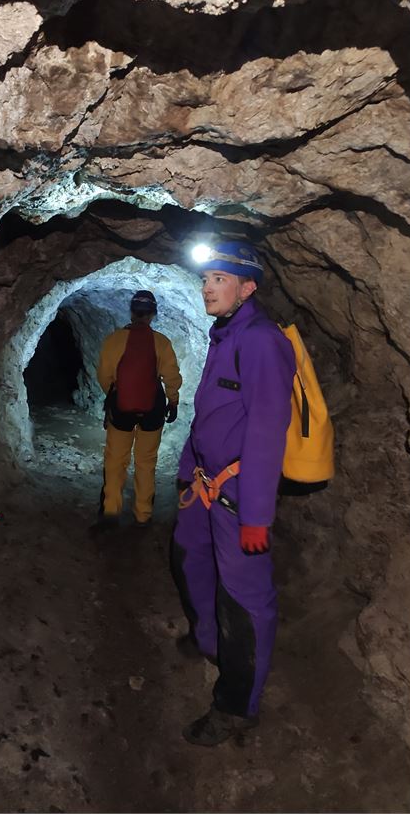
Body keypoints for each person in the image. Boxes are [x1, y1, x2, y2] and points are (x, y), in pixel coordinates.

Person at [171, 241, 295, 746]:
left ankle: (237, 706)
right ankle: (209, 642)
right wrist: (186, 473)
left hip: (239, 493)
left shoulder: (262, 342)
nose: (207, 288)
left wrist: (256, 517)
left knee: (244, 601)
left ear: (248, 288)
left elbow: (268, 430)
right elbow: (209, 417)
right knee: (187, 559)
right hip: (204, 485)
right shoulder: (224, 335)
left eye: (218, 279)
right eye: (205, 279)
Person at [94, 290, 182, 530]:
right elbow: (171, 377)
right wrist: (172, 401)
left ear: (132, 312)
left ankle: (111, 511)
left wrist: (113, 396)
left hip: (121, 411)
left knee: (115, 461)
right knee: (145, 462)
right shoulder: (161, 342)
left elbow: (104, 374)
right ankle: (143, 514)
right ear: (153, 314)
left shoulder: (114, 340)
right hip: (152, 411)